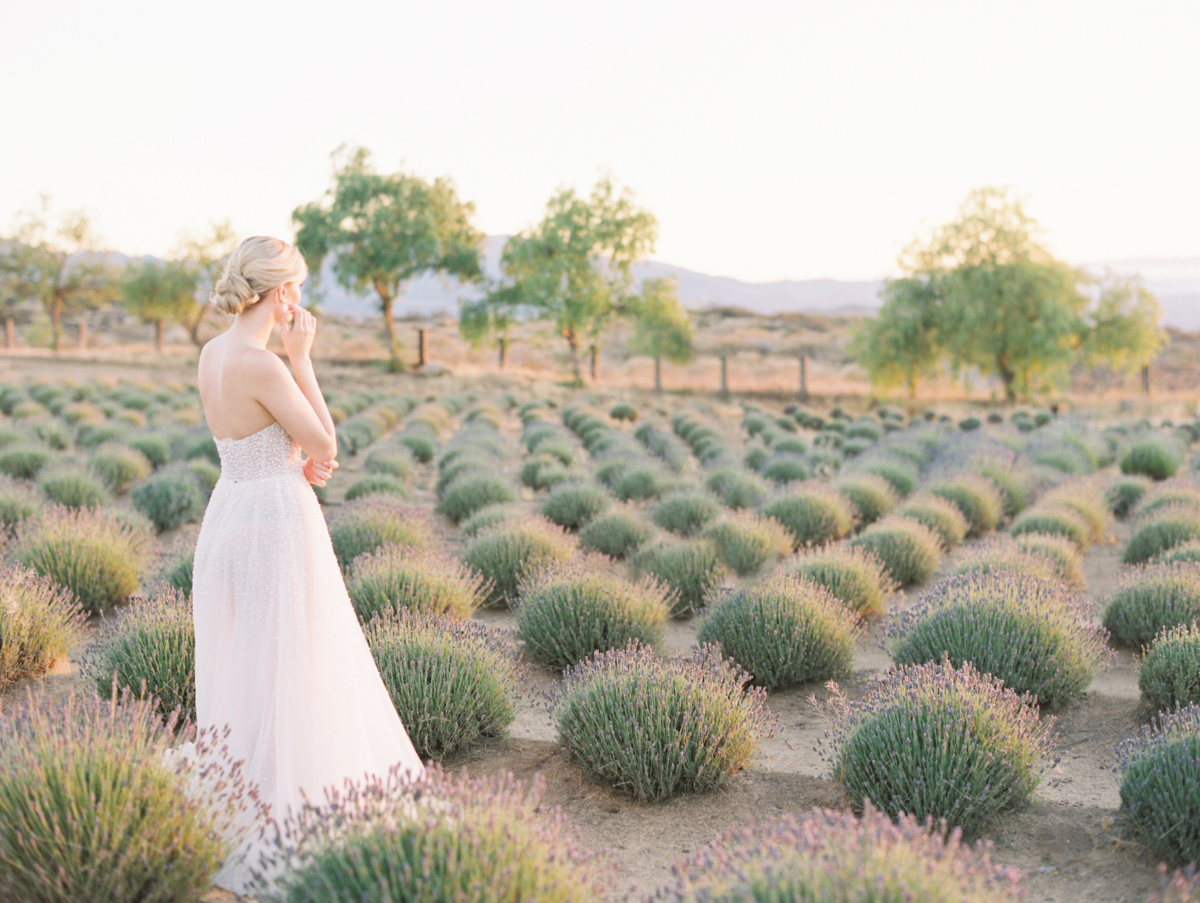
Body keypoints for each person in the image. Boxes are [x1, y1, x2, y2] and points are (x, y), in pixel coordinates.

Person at [192, 235, 424, 891]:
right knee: (291, 659)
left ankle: (244, 793)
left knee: (245, 659)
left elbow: (273, 440)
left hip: (229, 510)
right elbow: (325, 440)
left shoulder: (212, 353)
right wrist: (303, 359)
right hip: (273, 520)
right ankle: (285, 805)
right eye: (296, 285)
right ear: (280, 292)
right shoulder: (265, 364)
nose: (301, 298)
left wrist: (301, 452)